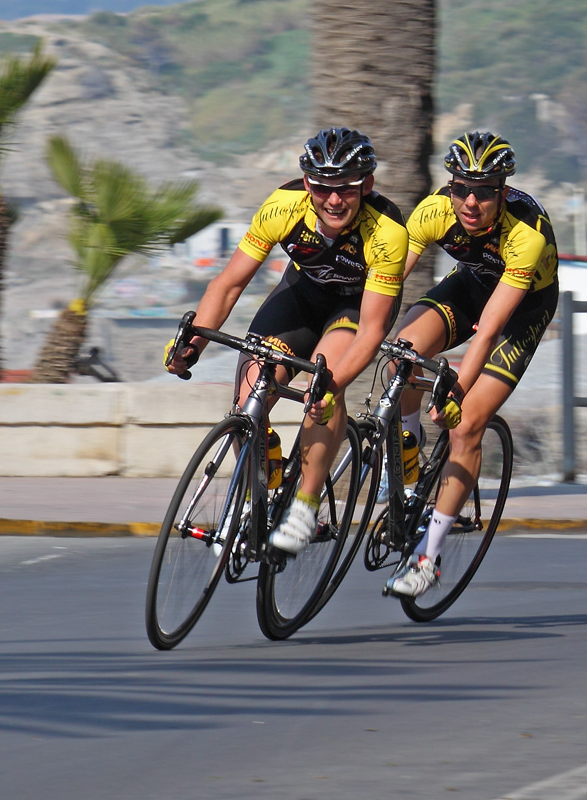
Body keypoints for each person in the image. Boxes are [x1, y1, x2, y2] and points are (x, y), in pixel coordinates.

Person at [165, 127, 407, 553]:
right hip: (301, 297)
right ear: (307, 183)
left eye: (347, 190)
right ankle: (254, 498)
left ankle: (304, 506)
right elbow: (228, 285)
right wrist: (192, 347)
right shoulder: (283, 206)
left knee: (322, 381)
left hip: (354, 308)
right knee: (249, 395)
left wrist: (331, 387)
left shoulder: (386, 230)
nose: (334, 200)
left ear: (366, 185)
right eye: (322, 187)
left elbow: (371, 330)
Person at [382, 131, 559, 597]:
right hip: (471, 284)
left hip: (521, 310)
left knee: (465, 427)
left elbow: (489, 329)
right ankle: (409, 458)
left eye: (484, 192)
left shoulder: (527, 233)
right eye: (461, 188)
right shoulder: (434, 210)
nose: (471, 202)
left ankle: (426, 558)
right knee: (404, 350)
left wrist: (457, 391)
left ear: (503, 192)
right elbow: (385, 282)